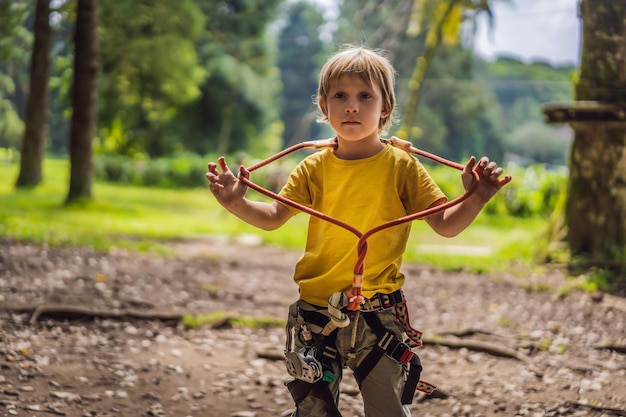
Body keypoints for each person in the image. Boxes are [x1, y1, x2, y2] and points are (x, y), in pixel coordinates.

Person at [206, 45, 511, 417]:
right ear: (324, 106)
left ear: (385, 108)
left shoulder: (403, 166)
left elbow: (446, 226)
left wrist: (477, 197)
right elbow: (272, 216)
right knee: (314, 412)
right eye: (340, 96)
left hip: (379, 316)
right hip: (315, 314)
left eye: (365, 96)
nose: (352, 106)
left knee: (386, 409)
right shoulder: (312, 166)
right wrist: (235, 202)